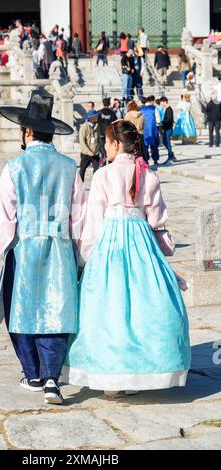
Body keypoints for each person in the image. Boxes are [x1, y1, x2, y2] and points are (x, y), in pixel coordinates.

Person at [63, 119, 191, 393]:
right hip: (142, 241)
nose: (105, 147)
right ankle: (140, 372)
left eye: (107, 142)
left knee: (110, 306)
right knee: (145, 303)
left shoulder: (102, 175)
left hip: (110, 242)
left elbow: (94, 222)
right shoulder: (149, 175)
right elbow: (156, 219)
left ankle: (111, 376)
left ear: (117, 144)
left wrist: (85, 257)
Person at [0, 89, 86, 406]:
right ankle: (53, 378)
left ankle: (33, 374)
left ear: (27, 131)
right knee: (57, 310)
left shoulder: (14, 167)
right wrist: (82, 256)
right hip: (59, 249)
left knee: (21, 310)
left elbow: (3, 215)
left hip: (23, 248)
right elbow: (79, 216)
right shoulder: (70, 168)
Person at [79, 109, 101, 181]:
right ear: (92, 118)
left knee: (96, 170)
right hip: (86, 153)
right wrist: (88, 151)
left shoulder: (97, 126)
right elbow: (82, 141)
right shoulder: (84, 127)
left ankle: (96, 184)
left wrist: (101, 150)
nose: (98, 117)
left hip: (95, 153)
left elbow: (99, 140)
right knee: (82, 169)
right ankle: (80, 184)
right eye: (96, 116)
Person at [140, 96, 160, 168]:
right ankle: (155, 160)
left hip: (144, 129)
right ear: (151, 101)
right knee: (154, 145)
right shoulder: (154, 108)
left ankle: (146, 160)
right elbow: (158, 120)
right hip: (152, 128)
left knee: (145, 146)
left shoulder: (141, 109)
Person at [98, 98, 117, 163]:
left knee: (102, 151)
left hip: (101, 133)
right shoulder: (112, 113)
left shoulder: (99, 112)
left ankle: (102, 164)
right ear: (109, 104)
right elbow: (115, 123)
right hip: (110, 134)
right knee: (110, 150)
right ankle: (110, 163)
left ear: (103, 103)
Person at [160, 97, 176, 163]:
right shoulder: (166, 109)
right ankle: (171, 155)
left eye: (161, 103)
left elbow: (169, 119)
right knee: (165, 142)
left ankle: (170, 157)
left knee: (167, 142)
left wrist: (162, 122)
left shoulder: (169, 109)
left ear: (165, 102)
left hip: (168, 128)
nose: (161, 104)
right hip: (166, 128)